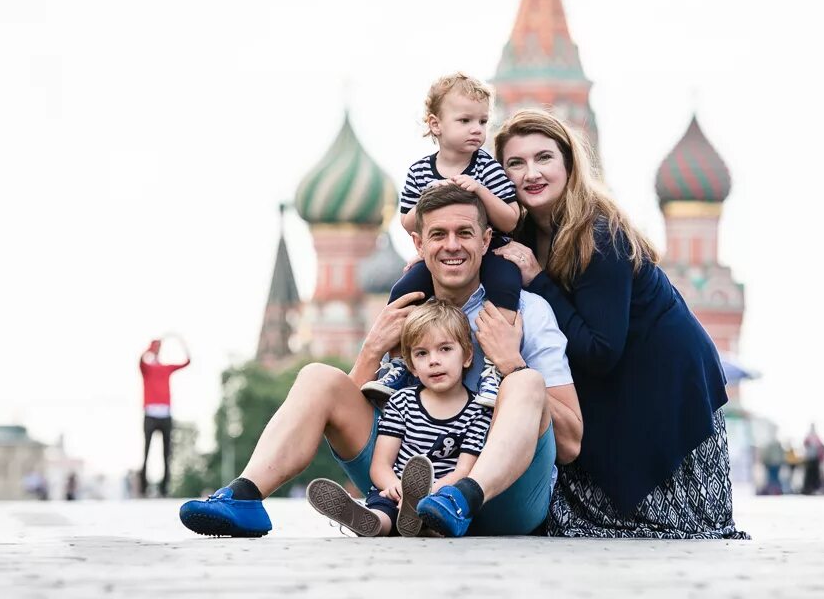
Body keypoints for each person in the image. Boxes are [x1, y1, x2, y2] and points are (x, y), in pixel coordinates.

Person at [179, 184, 582, 538]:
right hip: (403, 483)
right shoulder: (401, 314)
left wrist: (511, 363)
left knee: (526, 382)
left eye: (465, 233)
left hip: (501, 499)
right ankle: (245, 497)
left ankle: (460, 498)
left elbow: (570, 444)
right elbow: (335, 417)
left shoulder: (528, 312)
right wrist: (371, 351)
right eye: (438, 234)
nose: (453, 245)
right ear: (420, 246)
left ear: (485, 239)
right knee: (317, 376)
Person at [493, 109, 747, 539]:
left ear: (569, 164)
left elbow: (600, 349)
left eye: (544, 158)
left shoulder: (599, 233)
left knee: (630, 519)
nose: (530, 172)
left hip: (661, 381)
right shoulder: (526, 235)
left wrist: (539, 279)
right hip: (623, 380)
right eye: (515, 163)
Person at [363, 73, 521, 409]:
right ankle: (398, 366)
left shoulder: (487, 168)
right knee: (404, 290)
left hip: (487, 252)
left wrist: (479, 191)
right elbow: (407, 219)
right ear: (436, 125)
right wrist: (429, 201)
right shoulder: (421, 171)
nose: (476, 129)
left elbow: (511, 218)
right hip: (441, 256)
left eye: (482, 121)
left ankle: (493, 367)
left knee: (506, 284)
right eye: (464, 121)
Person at [306, 300, 491, 537]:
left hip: (443, 498)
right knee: (383, 511)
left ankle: (425, 523)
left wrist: (429, 496)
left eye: (445, 349)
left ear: (467, 356)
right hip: (395, 490)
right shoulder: (402, 402)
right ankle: (367, 521)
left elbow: (465, 470)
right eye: (422, 353)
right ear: (412, 366)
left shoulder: (477, 410)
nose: (433, 360)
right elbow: (381, 464)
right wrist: (395, 486)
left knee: (440, 517)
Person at [139, 336, 190, 497]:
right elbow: (140, 360)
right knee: (146, 451)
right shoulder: (147, 368)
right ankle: (143, 487)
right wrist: (151, 348)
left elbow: (187, 362)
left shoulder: (166, 368)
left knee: (166, 452)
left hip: (165, 414)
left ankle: (164, 488)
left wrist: (183, 344)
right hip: (150, 414)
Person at [802, 424, 824, 495]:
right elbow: (805, 444)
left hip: (815, 458)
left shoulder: (817, 437)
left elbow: (821, 446)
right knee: (809, 474)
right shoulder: (808, 437)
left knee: (815, 474)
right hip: (809, 458)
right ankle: (808, 488)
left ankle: (815, 488)